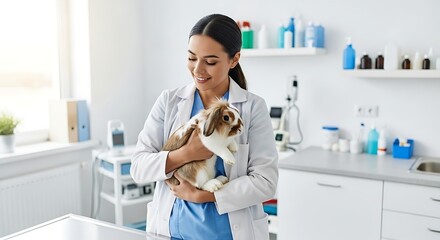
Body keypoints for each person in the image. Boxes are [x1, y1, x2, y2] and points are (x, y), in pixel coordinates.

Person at [130, 13, 278, 240]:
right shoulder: (169, 101)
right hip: (171, 232)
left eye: (210, 62)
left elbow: (265, 182)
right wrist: (185, 153)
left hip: (228, 233)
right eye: (191, 58)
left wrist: (205, 196)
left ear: (234, 59)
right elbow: (139, 167)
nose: (198, 70)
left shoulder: (252, 107)